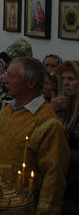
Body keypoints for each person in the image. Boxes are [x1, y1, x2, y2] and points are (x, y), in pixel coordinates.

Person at [0, 57, 70, 214]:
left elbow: (54, 177)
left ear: (31, 82)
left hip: (24, 207)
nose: (5, 80)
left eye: (11, 76)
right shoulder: (5, 113)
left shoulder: (49, 124)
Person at [51, 60, 79, 213]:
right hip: (63, 175)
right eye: (63, 79)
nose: (66, 83)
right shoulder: (63, 104)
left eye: (71, 79)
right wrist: (52, 110)